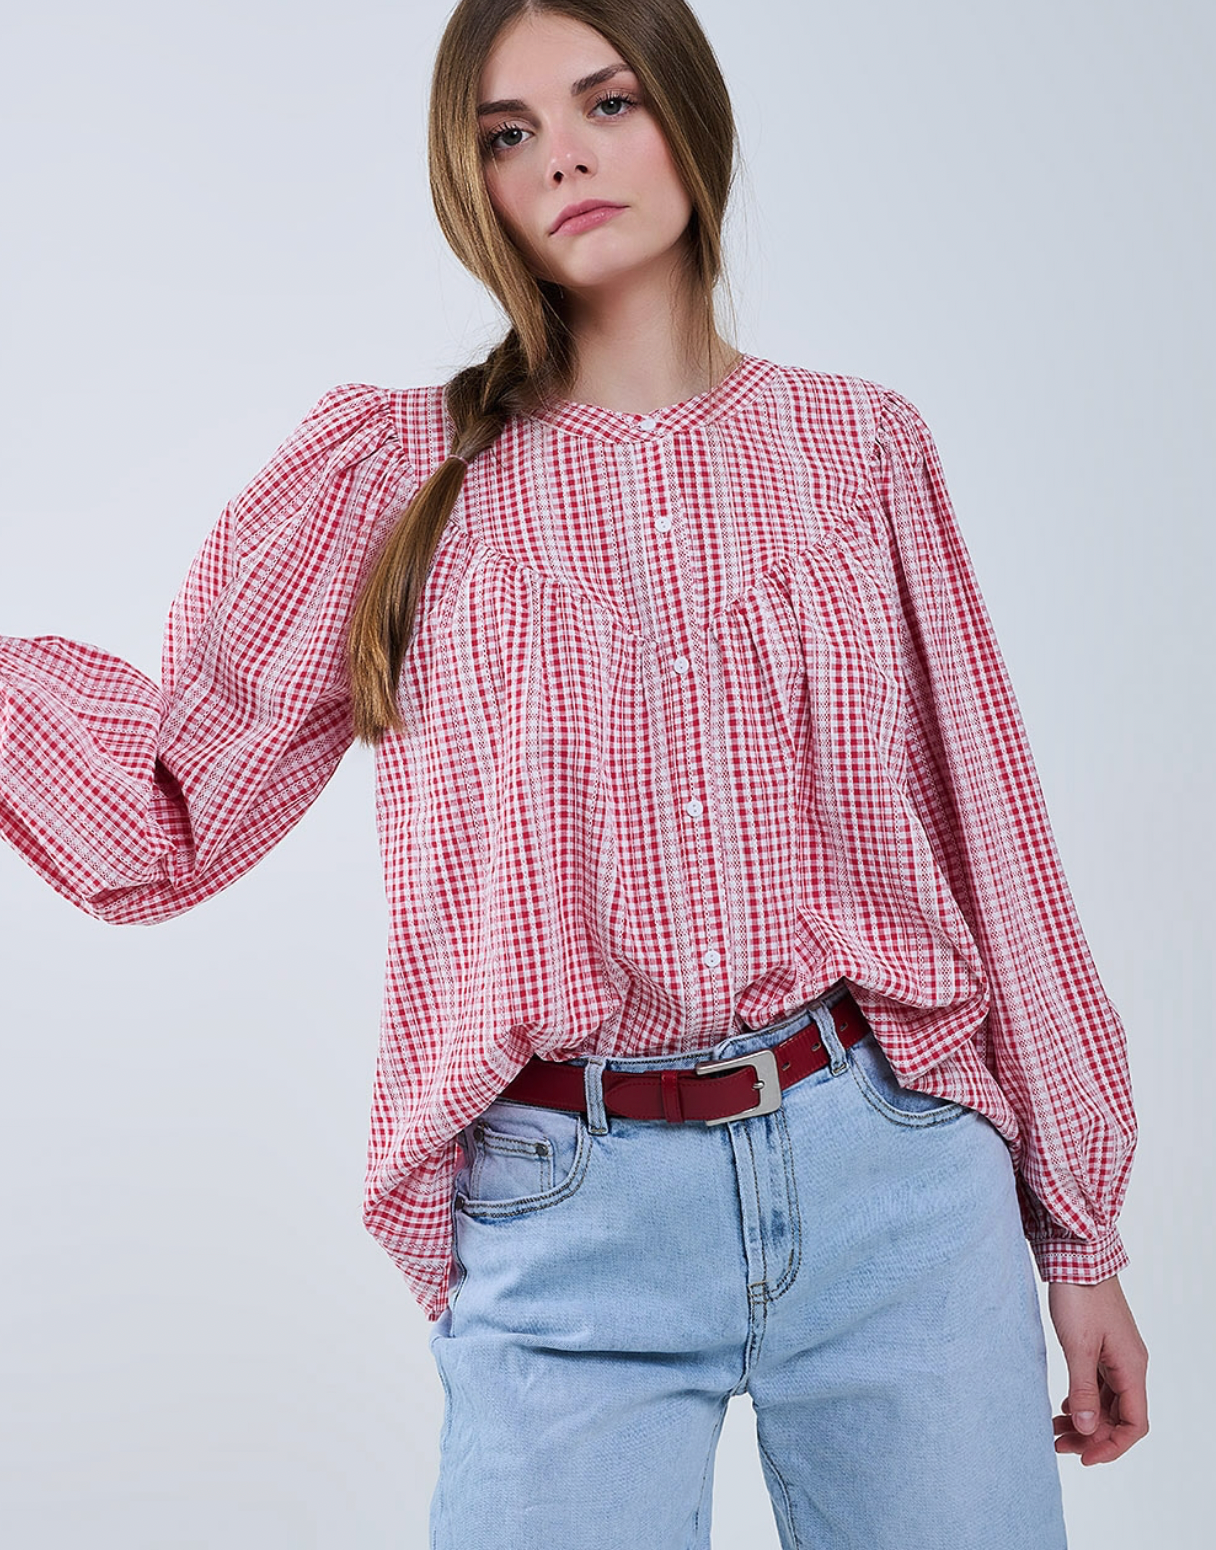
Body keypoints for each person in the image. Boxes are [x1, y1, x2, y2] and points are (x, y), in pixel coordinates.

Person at [0, 0, 1148, 1545]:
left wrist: (1079, 1232)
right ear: (472, 182)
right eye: (508, 132)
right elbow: (165, 802)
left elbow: (991, 832)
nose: (565, 158)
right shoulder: (395, 479)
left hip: (897, 1185)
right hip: (565, 1221)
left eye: (606, 103)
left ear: (689, 115)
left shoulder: (861, 450)